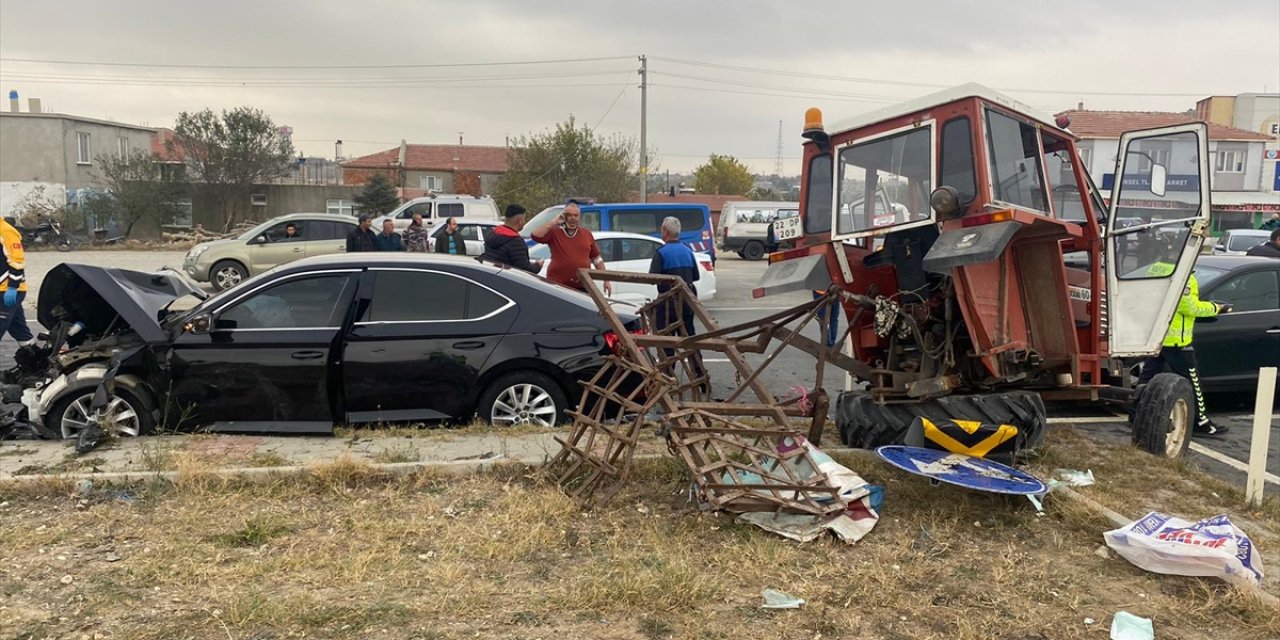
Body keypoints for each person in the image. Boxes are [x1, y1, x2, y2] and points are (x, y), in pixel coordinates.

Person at [1135, 251, 1231, 436]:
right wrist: (1217, 308)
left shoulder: (1154, 269)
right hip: (1178, 342)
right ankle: (1200, 423)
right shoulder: (1185, 277)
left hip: (1156, 336)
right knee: (1192, 383)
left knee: (1147, 379)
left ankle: (1136, 415)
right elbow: (1190, 307)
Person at [530, 201, 611, 294]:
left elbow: (597, 259)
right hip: (557, 284)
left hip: (582, 285)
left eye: (576, 215)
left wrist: (606, 280)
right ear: (564, 216)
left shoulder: (586, 234)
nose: (573, 218)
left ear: (579, 217)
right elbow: (535, 236)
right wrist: (554, 222)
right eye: (569, 215)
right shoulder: (555, 232)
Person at [649, 216, 700, 338]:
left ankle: (668, 356)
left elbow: (652, 278)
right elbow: (695, 276)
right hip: (687, 300)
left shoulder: (661, 252)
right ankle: (695, 356)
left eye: (662, 230)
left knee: (666, 337)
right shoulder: (688, 251)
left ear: (666, 231)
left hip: (667, 303)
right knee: (689, 335)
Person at [0, 217, 35, 346]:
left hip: (7, 290)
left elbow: (17, 261)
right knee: (19, 331)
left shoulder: (6, 231)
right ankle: (34, 360)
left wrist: (13, 287)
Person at [481, 204, 543, 273]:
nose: (524, 222)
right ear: (519, 221)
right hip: (506, 278)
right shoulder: (515, 242)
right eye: (524, 220)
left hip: (489, 273)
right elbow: (524, 269)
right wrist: (538, 265)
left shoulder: (493, 232)